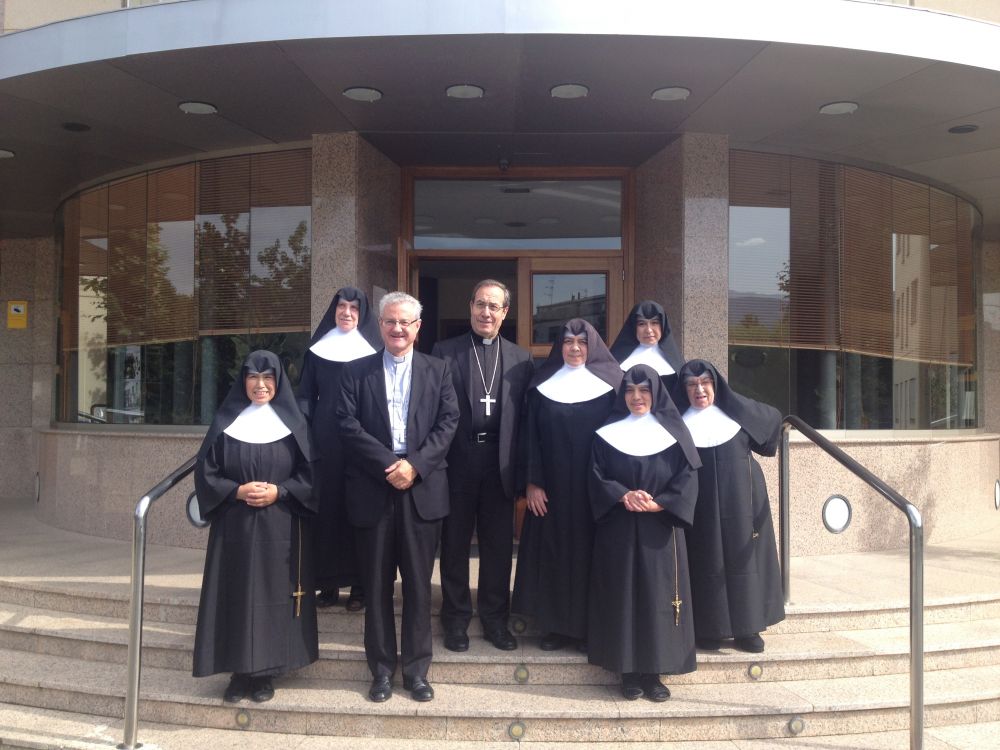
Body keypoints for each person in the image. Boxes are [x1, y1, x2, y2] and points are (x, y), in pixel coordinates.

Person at [337, 291, 459, 703]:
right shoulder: (355, 372)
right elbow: (347, 424)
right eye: (390, 321)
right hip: (375, 486)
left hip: (422, 489)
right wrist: (390, 464)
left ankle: (417, 671)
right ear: (381, 325)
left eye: (405, 322)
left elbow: (448, 423)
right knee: (375, 587)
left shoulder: (439, 370)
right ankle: (382, 670)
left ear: (417, 328)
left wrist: (416, 466)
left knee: (419, 588)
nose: (397, 329)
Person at [192, 350, 317, 703]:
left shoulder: (295, 425)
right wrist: (235, 491)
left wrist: (281, 490)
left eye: (268, 378)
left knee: (273, 598)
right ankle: (237, 673)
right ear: (243, 381)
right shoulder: (226, 422)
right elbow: (207, 473)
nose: (260, 385)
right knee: (235, 596)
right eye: (253, 377)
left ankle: (265, 674)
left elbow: (310, 478)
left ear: (278, 382)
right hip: (235, 527)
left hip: (281, 527)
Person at [587, 364, 701, 701]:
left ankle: (655, 673)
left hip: (660, 529)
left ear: (656, 393)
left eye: (644, 390)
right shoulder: (607, 433)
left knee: (657, 597)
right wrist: (622, 494)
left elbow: (688, 477)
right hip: (619, 527)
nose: (637, 397)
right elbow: (595, 475)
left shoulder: (675, 433)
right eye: (630, 391)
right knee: (624, 596)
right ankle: (628, 672)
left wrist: (661, 504)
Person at [432, 279, 533, 653]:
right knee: (454, 543)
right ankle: (455, 619)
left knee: (497, 546)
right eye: (480, 304)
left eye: (494, 306)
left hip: (499, 464)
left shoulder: (521, 359)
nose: (486, 312)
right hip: (457, 461)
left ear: (505, 312)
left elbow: (526, 420)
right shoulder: (444, 352)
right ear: (470, 306)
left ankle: (495, 620)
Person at [511, 319, 622, 652]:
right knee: (556, 553)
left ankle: (591, 628)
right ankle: (556, 627)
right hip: (553, 488)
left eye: (582, 342)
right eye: (568, 341)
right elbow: (530, 437)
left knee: (593, 554)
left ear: (594, 346)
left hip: (596, 487)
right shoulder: (541, 385)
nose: (575, 348)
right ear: (559, 346)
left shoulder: (614, 385)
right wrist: (532, 483)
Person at [672, 359, 785, 653]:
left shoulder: (737, 414)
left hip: (742, 499)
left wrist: (739, 403)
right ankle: (710, 628)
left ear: (716, 385)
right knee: (705, 557)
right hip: (701, 502)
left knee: (743, 560)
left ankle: (748, 629)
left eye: (705, 383)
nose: (699, 390)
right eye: (691, 385)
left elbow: (772, 422)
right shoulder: (678, 425)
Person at [298, 286, 381, 612]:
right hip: (326, 440)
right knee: (328, 510)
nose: (347, 312)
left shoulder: (374, 351)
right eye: (341, 306)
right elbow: (305, 395)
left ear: (363, 315)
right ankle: (328, 585)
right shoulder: (318, 350)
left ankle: (360, 587)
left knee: (358, 511)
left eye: (354, 308)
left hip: (362, 439)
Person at [609, 300, 683, 392]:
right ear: (634, 327)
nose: (648, 330)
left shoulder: (674, 360)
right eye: (642, 324)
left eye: (654, 323)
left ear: (663, 325)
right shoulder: (617, 360)